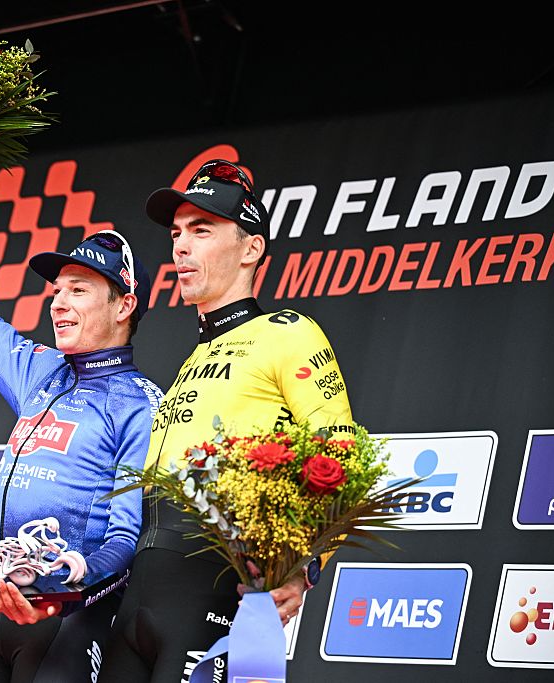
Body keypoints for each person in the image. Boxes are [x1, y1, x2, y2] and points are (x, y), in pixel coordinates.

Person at [100, 159, 355, 682]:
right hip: (136, 596)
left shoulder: (287, 332)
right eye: (176, 233)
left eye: (201, 230)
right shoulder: (192, 358)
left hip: (212, 590)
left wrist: (304, 566)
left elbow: (342, 456)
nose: (180, 247)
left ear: (251, 249)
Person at [0, 159, 163, 683]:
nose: (58, 302)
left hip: (67, 622)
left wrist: (76, 577)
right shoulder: (40, 370)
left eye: (78, 289)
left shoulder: (140, 403)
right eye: (57, 290)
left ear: (125, 306)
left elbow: (128, 536)